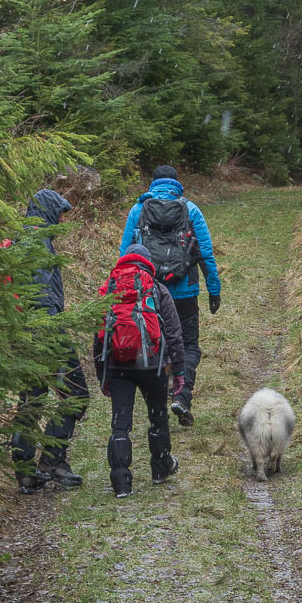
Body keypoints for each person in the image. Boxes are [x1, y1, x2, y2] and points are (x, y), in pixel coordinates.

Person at [118, 167, 221, 426]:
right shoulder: (191, 210)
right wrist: (214, 288)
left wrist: (120, 291)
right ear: (177, 184)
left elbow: (124, 255)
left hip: (150, 291)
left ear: (152, 183)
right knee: (188, 345)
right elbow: (205, 253)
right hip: (184, 290)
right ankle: (182, 396)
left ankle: (160, 397)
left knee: (157, 342)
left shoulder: (138, 210)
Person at [4, 188, 89, 495]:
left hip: (23, 333)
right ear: (49, 211)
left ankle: (25, 472)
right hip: (46, 331)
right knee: (76, 394)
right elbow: (41, 294)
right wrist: (52, 331)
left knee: (32, 399)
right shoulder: (38, 240)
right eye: (60, 212)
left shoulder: (21, 237)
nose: (62, 218)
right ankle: (52, 462)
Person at [93, 247, 187, 498]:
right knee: (158, 416)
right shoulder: (155, 288)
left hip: (117, 365)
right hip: (151, 365)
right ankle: (160, 468)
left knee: (120, 424)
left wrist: (102, 375)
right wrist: (179, 373)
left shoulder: (110, 288)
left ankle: (121, 481)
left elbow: (98, 336)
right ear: (148, 263)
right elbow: (175, 335)